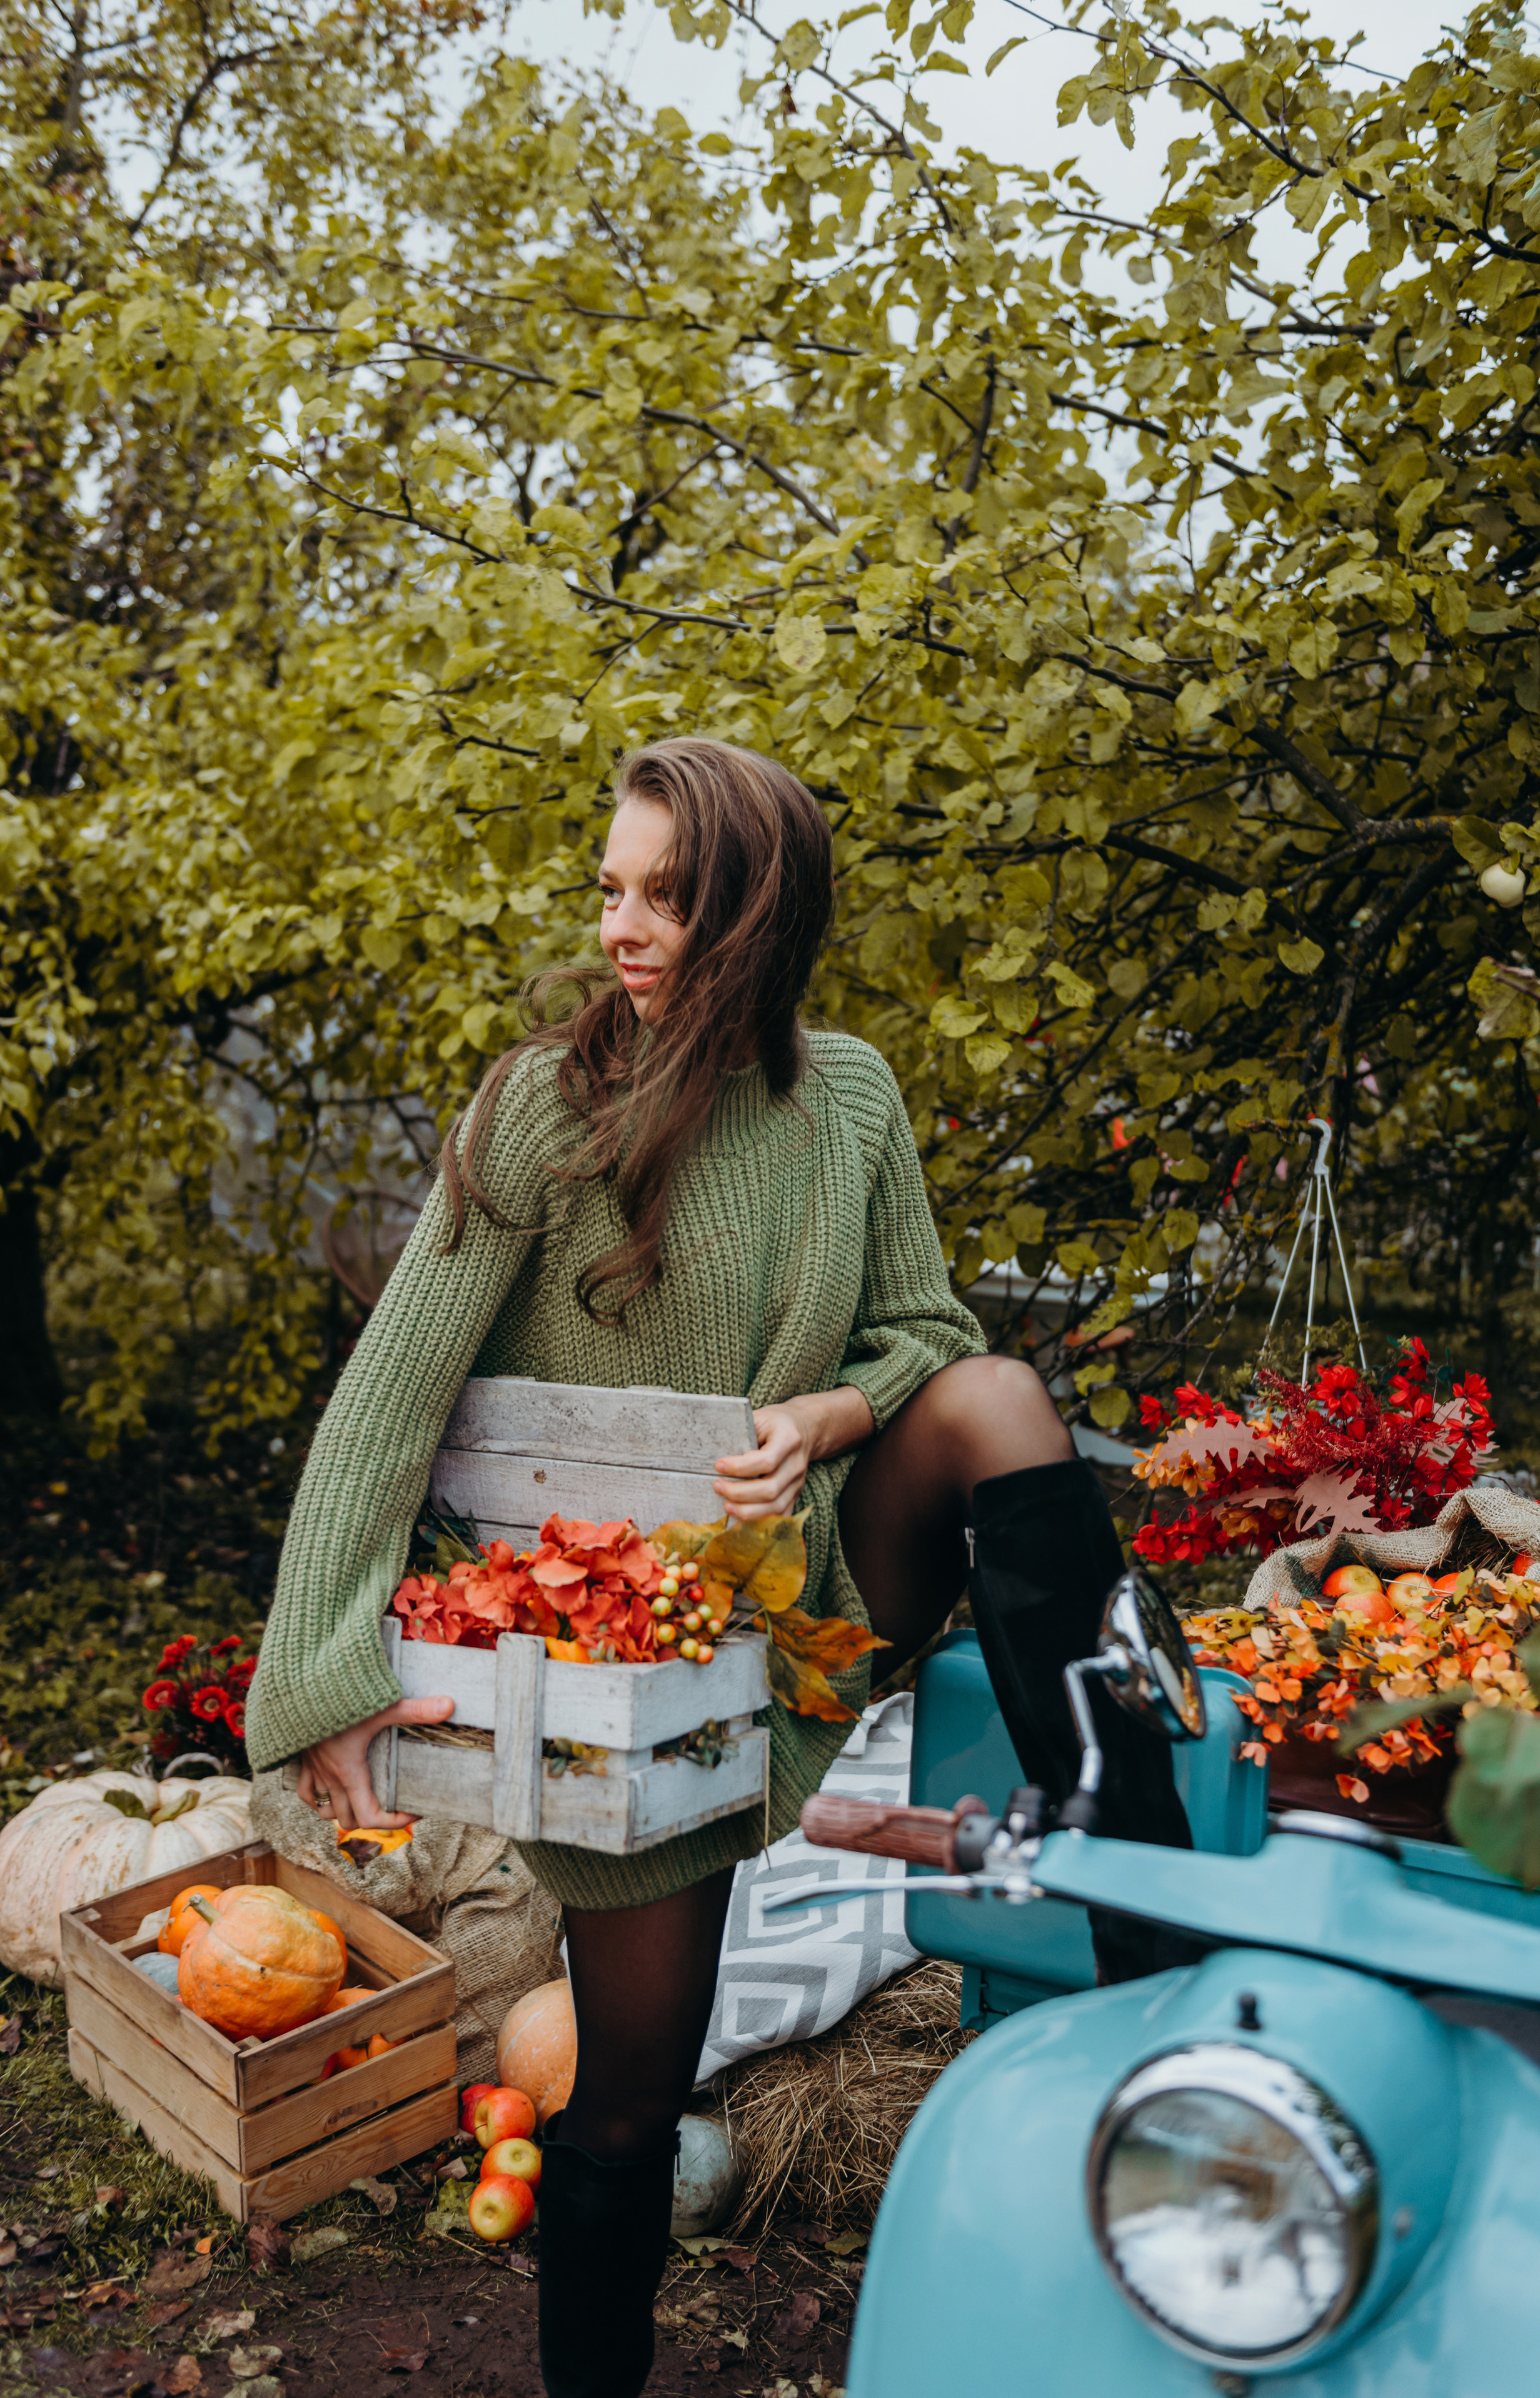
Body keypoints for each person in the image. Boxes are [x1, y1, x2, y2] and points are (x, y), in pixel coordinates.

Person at [244, 736, 1187, 2398]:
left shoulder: (855, 1098)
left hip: (815, 1583)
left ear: (754, 907)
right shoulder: (543, 1109)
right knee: (624, 2088)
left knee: (997, 1397)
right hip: (628, 1672)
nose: (621, 923)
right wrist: (328, 1673)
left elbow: (928, 1336)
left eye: (663, 894)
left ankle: (1144, 1903)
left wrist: (830, 1411)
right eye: (609, 887)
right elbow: (388, 1401)